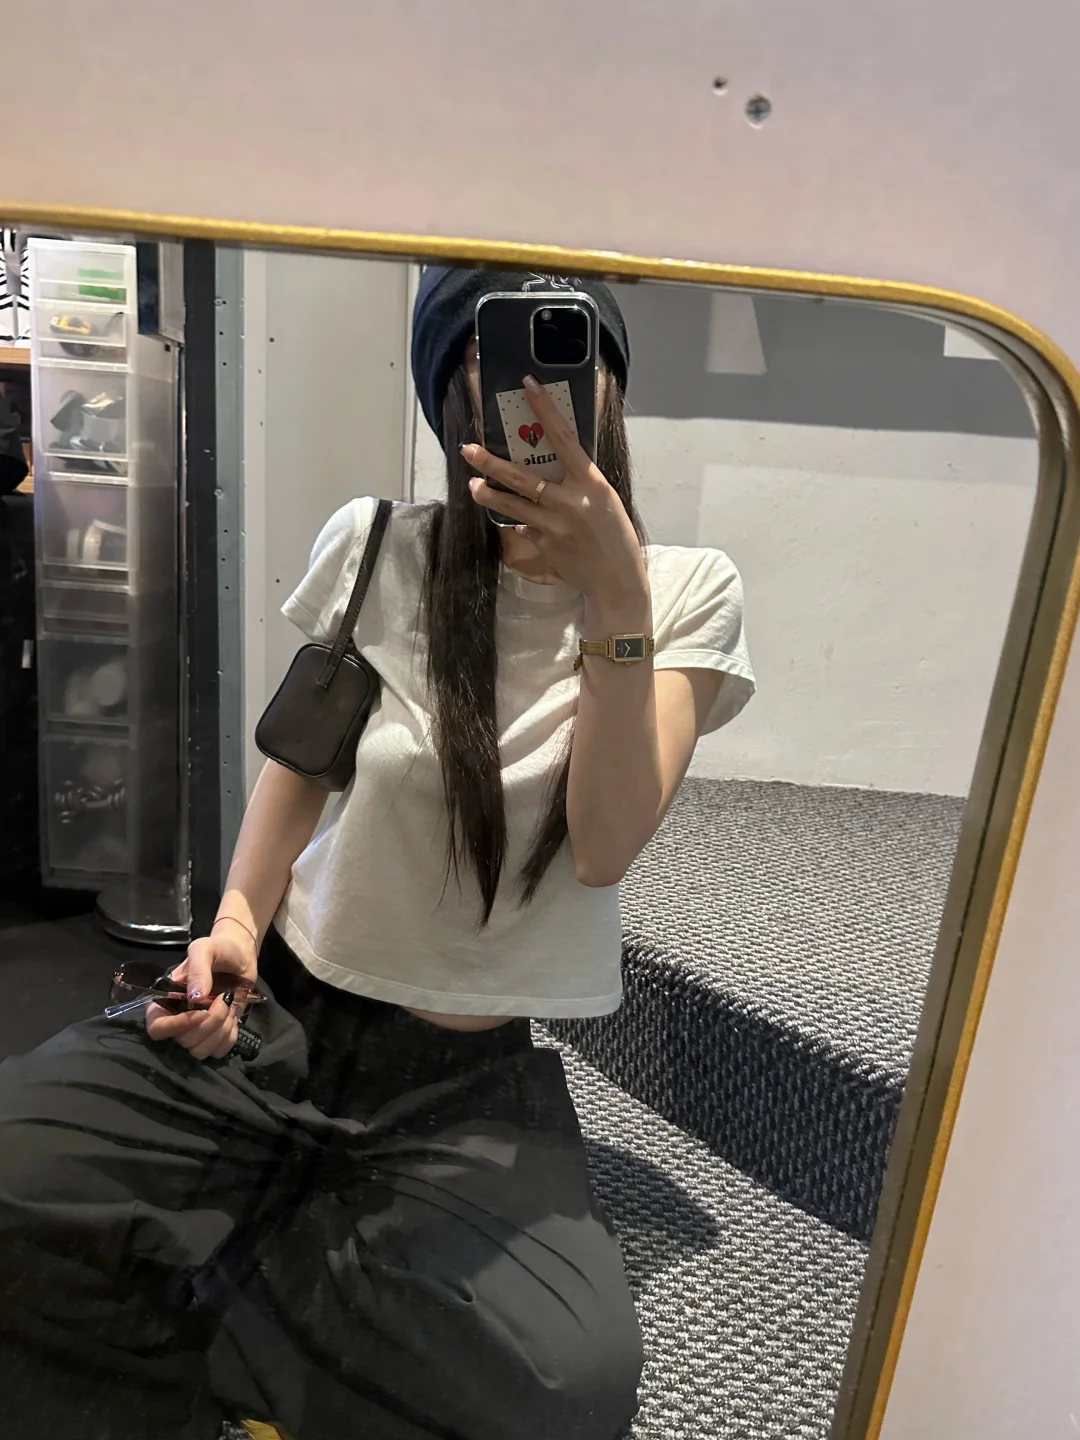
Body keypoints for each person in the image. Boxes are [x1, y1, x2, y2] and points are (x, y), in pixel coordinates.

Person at [0, 266, 755, 1440]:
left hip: (463, 1079)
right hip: (281, 1018)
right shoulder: (378, 546)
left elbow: (606, 843)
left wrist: (615, 596)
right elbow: (300, 764)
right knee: (15, 1170)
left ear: (609, 385)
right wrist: (235, 925)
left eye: (561, 360)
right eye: (483, 367)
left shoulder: (685, 593)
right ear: (448, 405)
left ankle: (237, 1269)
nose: (527, 402)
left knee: (565, 1387)